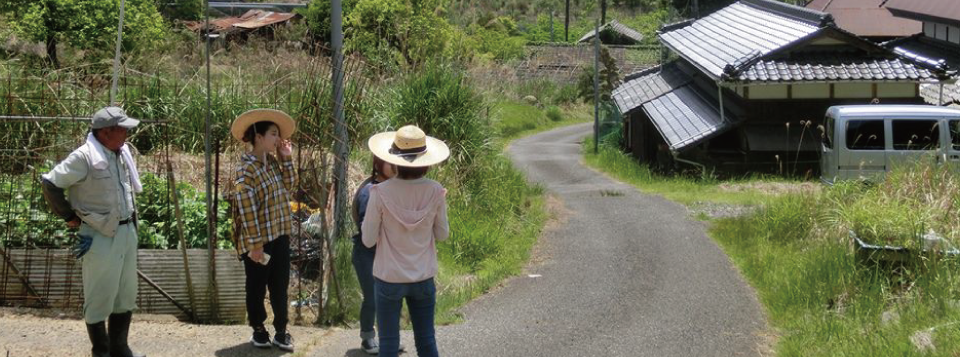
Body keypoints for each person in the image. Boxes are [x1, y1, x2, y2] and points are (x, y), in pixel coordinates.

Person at [41, 106, 145, 357]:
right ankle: (101, 352)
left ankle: (121, 349)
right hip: (99, 235)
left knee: (125, 293)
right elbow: (50, 184)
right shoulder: (84, 157)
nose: (127, 134)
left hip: (126, 231)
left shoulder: (121, 153)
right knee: (99, 296)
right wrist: (69, 216)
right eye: (123, 129)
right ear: (106, 132)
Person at [362, 125, 450, 357]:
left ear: (394, 161)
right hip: (423, 277)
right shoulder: (436, 191)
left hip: (389, 278)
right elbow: (442, 234)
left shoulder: (379, 192)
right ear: (426, 161)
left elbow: (368, 240)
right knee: (426, 341)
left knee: (389, 345)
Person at [230, 108, 298, 352]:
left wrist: (286, 157)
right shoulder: (246, 169)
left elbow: (289, 186)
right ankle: (259, 329)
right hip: (258, 241)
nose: (278, 139)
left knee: (280, 285)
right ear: (258, 136)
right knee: (257, 287)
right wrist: (256, 245)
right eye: (273, 134)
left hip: (279, 236)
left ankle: (281, 330)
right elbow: (247, 210)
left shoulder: (272, 164)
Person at [350, 155, 397, 355]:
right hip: (366, 254)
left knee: (388, 297)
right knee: (372, 298)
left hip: (384, 252)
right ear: (378, 164)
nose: (395, 166)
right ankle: (367, 338)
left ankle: (388, 340)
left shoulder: (392, 188)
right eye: (390, 162)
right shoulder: (370, 191)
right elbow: (364, 228)